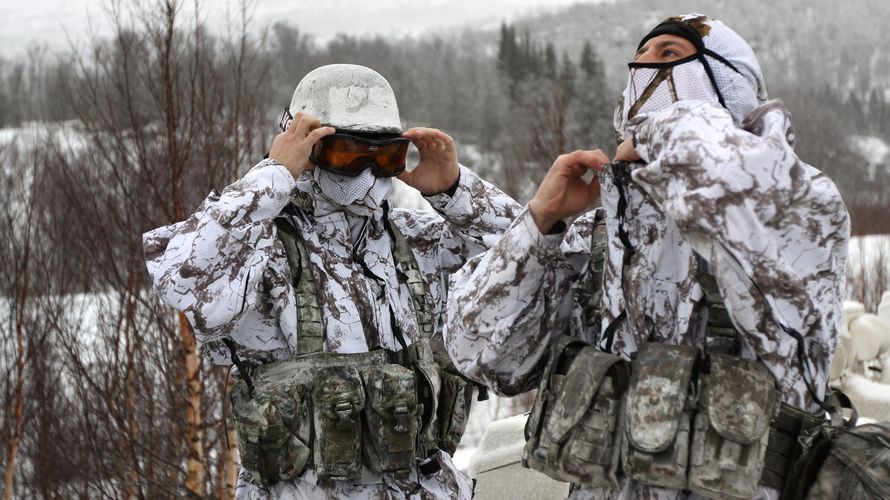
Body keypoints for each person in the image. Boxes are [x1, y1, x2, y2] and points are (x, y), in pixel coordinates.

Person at [445, 14, 850, 499]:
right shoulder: (602, 236)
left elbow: (734, 188)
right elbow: (485, 357)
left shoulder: (800, 209)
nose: (645, 70)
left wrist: (665, 129)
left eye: (670, 56)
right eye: (641, 58)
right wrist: (540, 222)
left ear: (728, 82)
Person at [143, 64, 519, 499]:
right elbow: (180, 277)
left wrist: (455, 191)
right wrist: (273, 176)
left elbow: (532, 259)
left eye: (384, 157)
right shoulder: (261, 251)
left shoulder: (417, 243)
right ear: (306, 148)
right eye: (348, 153)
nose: (367, 173)